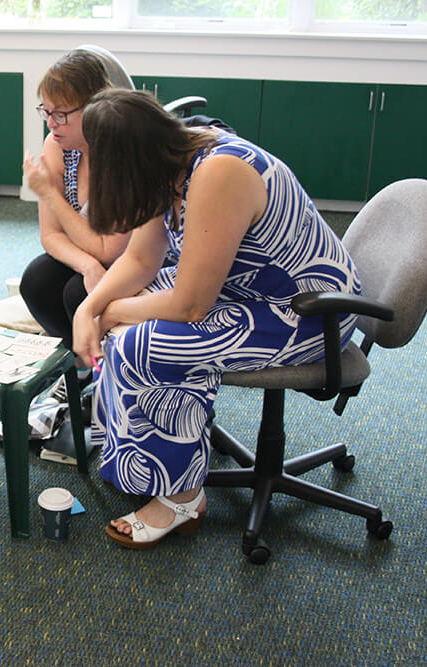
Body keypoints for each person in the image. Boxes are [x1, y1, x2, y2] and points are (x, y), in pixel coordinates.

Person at [72, 89, 363, 550]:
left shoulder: (218, 172)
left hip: (303, 310)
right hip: (242, 287)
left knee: (143, 345)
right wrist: (88, 310)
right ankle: (141, 458)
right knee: (118, 313)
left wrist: (111, 316)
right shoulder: (166, 164)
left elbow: (190, 305)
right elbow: (143, 261)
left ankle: (183, 498)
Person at [19, 49, 130, 352]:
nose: (51, 123)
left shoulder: (122, 154)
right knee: (36, 281)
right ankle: (78, 366)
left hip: (141, 262)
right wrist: (87, 265)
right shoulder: (58, 146)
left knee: (76, 293)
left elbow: (110, 251)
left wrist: (50, 194)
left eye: (61, 114)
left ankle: (106, 368)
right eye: (47, 111)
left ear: (95, 108)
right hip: (91, 253)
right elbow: (50, 235)